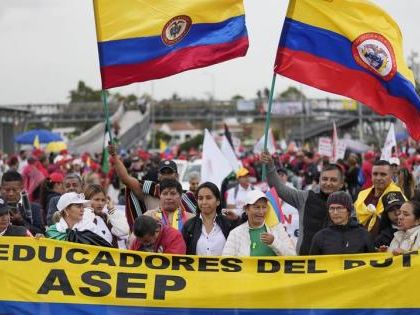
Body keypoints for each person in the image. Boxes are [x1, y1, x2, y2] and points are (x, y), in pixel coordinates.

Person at [261, 151, 344, 255]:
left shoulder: (348, 205)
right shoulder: (305, 197)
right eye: (325, 179)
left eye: (333, 180)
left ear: (341, 184)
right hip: (305, 261)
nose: (328, 183)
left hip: (334, 264)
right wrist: (270, 166)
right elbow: (279, 188)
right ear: (319, 180)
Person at [108, 144, 196, 227]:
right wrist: (114, 156)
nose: (166, 175)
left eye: (169, 172)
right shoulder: (149, 190)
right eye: (163, 172)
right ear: (158, 175)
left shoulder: (186, 196)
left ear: (177, 175)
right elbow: (126, 179)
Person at [222, 190, 296, 257]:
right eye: (257, 207)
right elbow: (226, 262)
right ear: (246, 209)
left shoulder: (277, 229)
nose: (261, 212)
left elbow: (292, 255)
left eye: (264, 207)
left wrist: (274, 242)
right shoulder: (235, 234)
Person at [182, 182, 238, 255]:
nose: (204, 202)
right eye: (200, 198)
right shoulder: (189, 226)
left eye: (208, 198)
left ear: (218, 201)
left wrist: (237, 220)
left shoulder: (228, 224)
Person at [309, 191, 374, 255]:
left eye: (339, 208)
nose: (335, 212)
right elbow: (312, 263)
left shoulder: (363, 234)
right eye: (331, 208)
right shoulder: (320, 237)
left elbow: (372, 260)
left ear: (348, 210)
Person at [355, 160, 405, 237]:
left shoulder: (397, 197)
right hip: (360, 241)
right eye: (375, 174)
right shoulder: (363, 194)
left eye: (383, 174)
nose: (378, 178)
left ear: (391, 176)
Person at [45, 192, 111, 247]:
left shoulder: (91, 227)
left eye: (83, 206)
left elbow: (104, 248)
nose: (82, 209)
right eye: (78, 206)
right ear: (66, 210)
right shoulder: (52, 231)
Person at [84, 184, 130, 248]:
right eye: (97, 199)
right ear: (87, 200)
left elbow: (123, 231)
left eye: (103, 200)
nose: (100, 203)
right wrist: (88, 209)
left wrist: (112, 210)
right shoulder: (81, 216)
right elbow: (86, 231)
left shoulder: (107, 217)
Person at [0, 170, 44, 235]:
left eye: (15, 190)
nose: (11, 193)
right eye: (7, 190)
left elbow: (41, 233)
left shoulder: (34, 208)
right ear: (1, 189)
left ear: (22, 188)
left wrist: (21, 221)